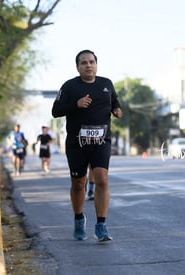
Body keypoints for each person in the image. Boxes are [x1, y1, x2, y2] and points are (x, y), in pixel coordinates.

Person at [51, 49, 122, 242]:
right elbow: (55, 111)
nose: (88, 65)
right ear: (78, 67)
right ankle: (78, 219)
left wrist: (117, 109)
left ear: (96, 65)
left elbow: (114, 101)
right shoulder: (69, 86)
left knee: (102, 179)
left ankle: (101, 226)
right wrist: (76, 104)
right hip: (77, 143)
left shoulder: (106, 84)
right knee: (78, 184)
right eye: (84, 63)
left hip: (101, 141)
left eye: (91, 62)